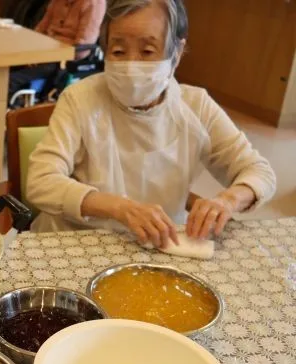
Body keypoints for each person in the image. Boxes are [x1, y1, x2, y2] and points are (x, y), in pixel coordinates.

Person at [25, 0, 276, 247]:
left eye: (147, 51)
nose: (130, 65)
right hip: (78, 243)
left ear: (176, 53)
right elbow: (41, 181)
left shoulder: (196, 106)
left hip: (160, 246)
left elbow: (259, 171)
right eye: (118, 51)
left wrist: (227, 201)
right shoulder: (79, 99)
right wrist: (120, 208)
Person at [0, 0, 106, 167]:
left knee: (6, 82)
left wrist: (46, 54)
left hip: (62, 61)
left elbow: (83, 48)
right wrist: (33, 49)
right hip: (42, 51)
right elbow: (41, 28)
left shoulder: (94, 3)